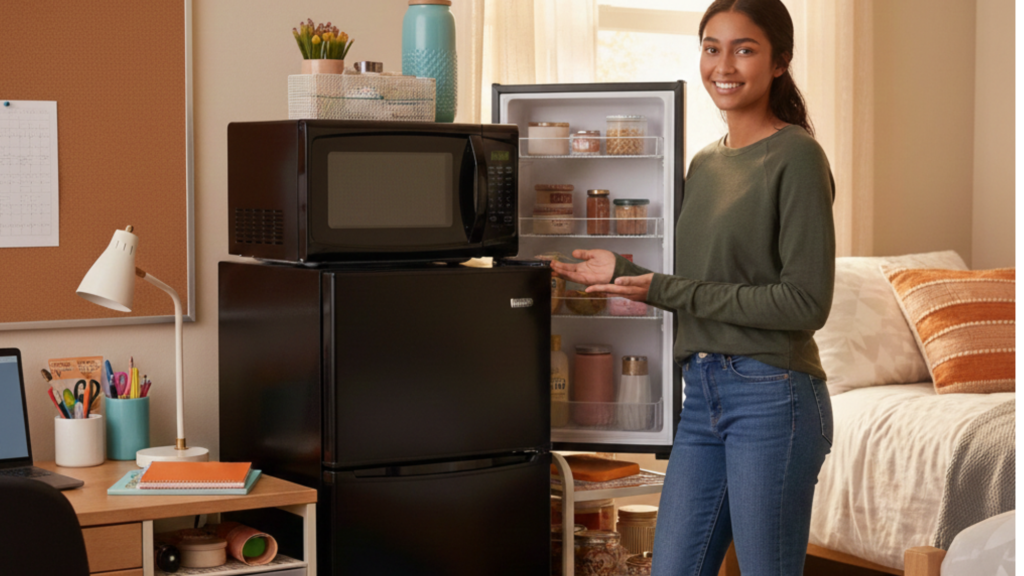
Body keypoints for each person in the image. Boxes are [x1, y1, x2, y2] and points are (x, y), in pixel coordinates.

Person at [550, 1, 836, 574]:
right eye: (712, 48)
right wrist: (621, 268)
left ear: (780, 61)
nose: (723, 65)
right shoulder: (706, 163)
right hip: (702, 393)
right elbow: (703, 277)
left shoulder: (796, 157)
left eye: (744, 48)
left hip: (772, 393)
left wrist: (663, 287)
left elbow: (806, 303)